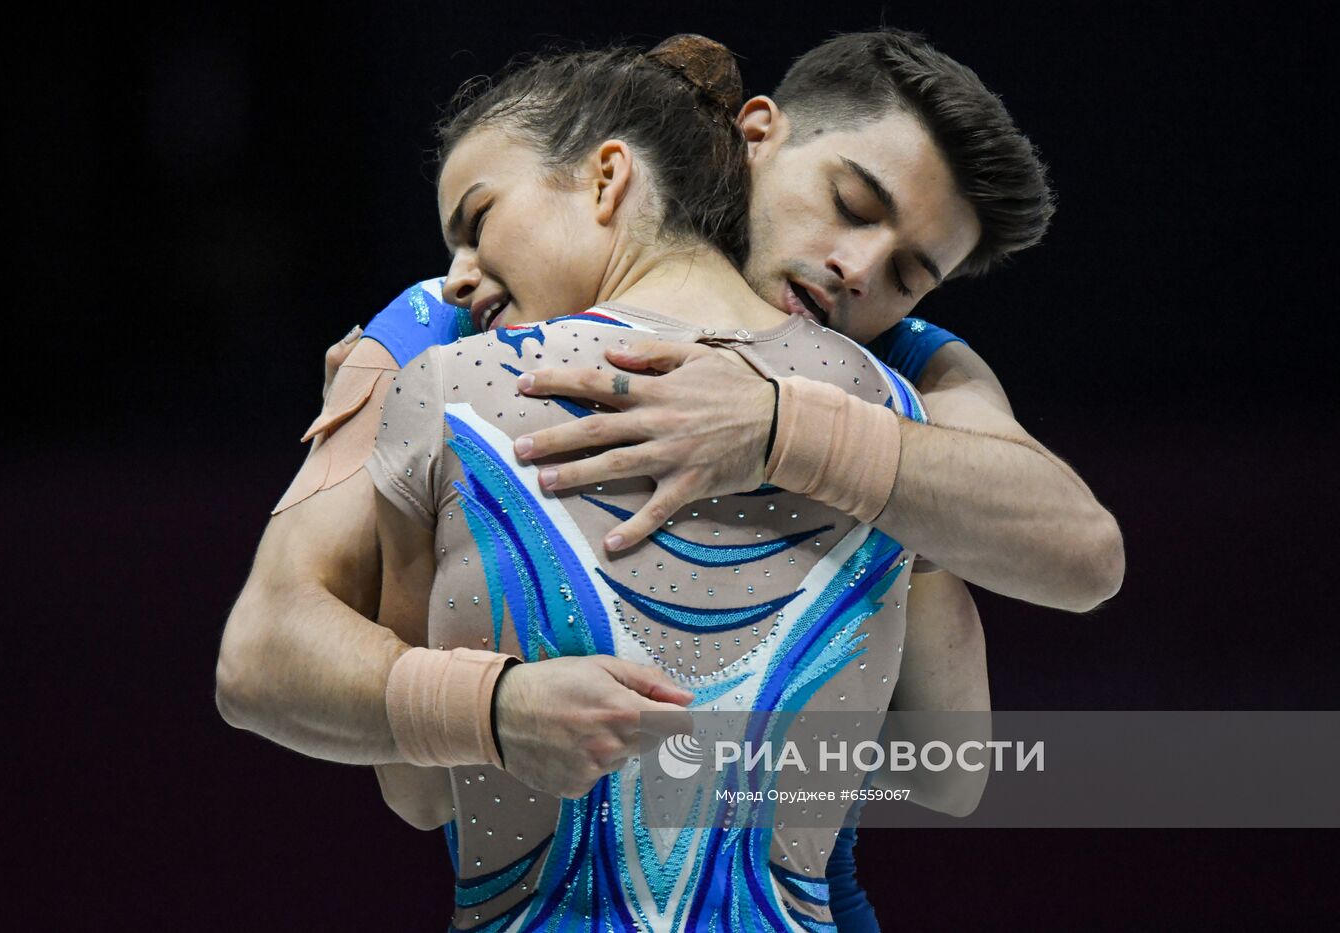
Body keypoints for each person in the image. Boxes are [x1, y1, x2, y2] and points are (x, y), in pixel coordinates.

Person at [216, 30, 1120, 931]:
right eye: (849, 203)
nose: (858, 270)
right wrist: (491, 704)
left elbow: (1074, 571)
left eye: (909, 275)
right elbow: (264, 645)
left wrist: (782, 430)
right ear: (757, 134)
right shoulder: (450, 320)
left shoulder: (899, 368)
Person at [365, 34, 944, 929]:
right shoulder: (899, 407)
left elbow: (418, 792)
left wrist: (491, 708)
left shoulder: (447, 388)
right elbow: (956, 761)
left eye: (477, 222)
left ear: (609, 177)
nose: (453, 280)